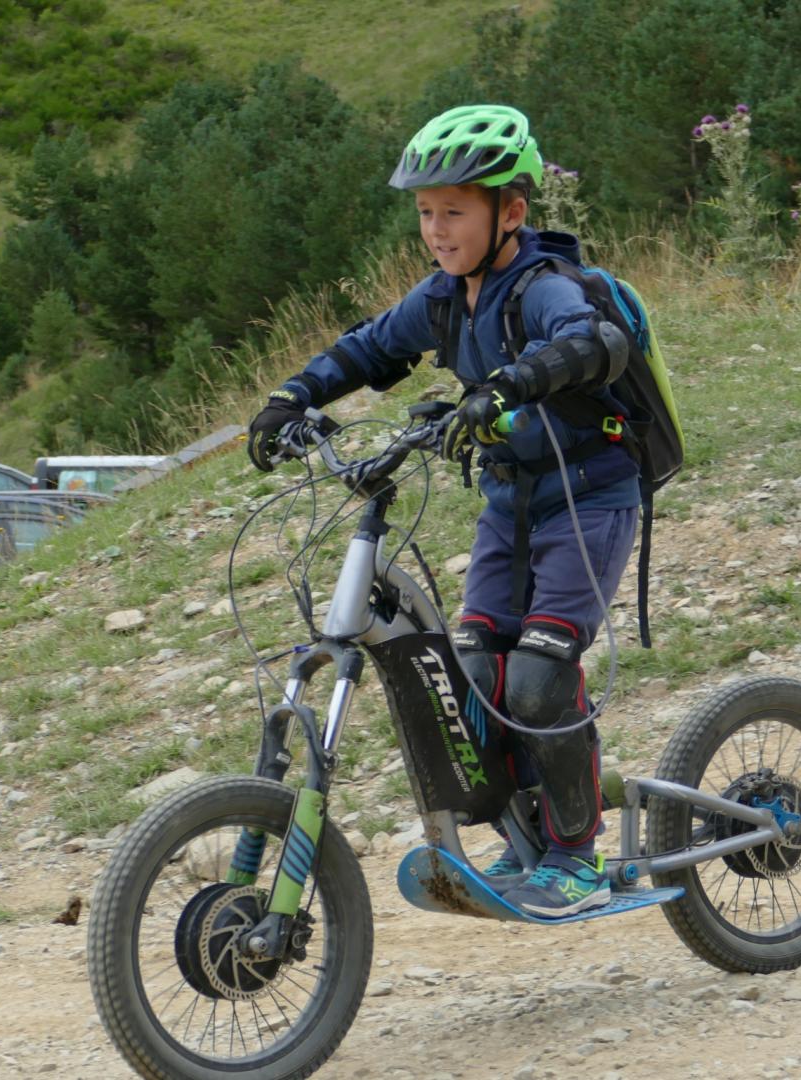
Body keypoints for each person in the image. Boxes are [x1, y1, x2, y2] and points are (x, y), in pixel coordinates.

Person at [245, 104, 636, 917]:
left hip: (587, 499)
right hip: (509, 507)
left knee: (535, 680)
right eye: (425, 212)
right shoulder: (444, 299)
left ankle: (576, 854)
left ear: (512, 212)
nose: (435, 227)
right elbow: (366, 348)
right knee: (468, 670)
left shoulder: (545, 288)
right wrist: (291, 398)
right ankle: (534, 811)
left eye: (454, 210)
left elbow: (596, 342)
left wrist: (516, 380)